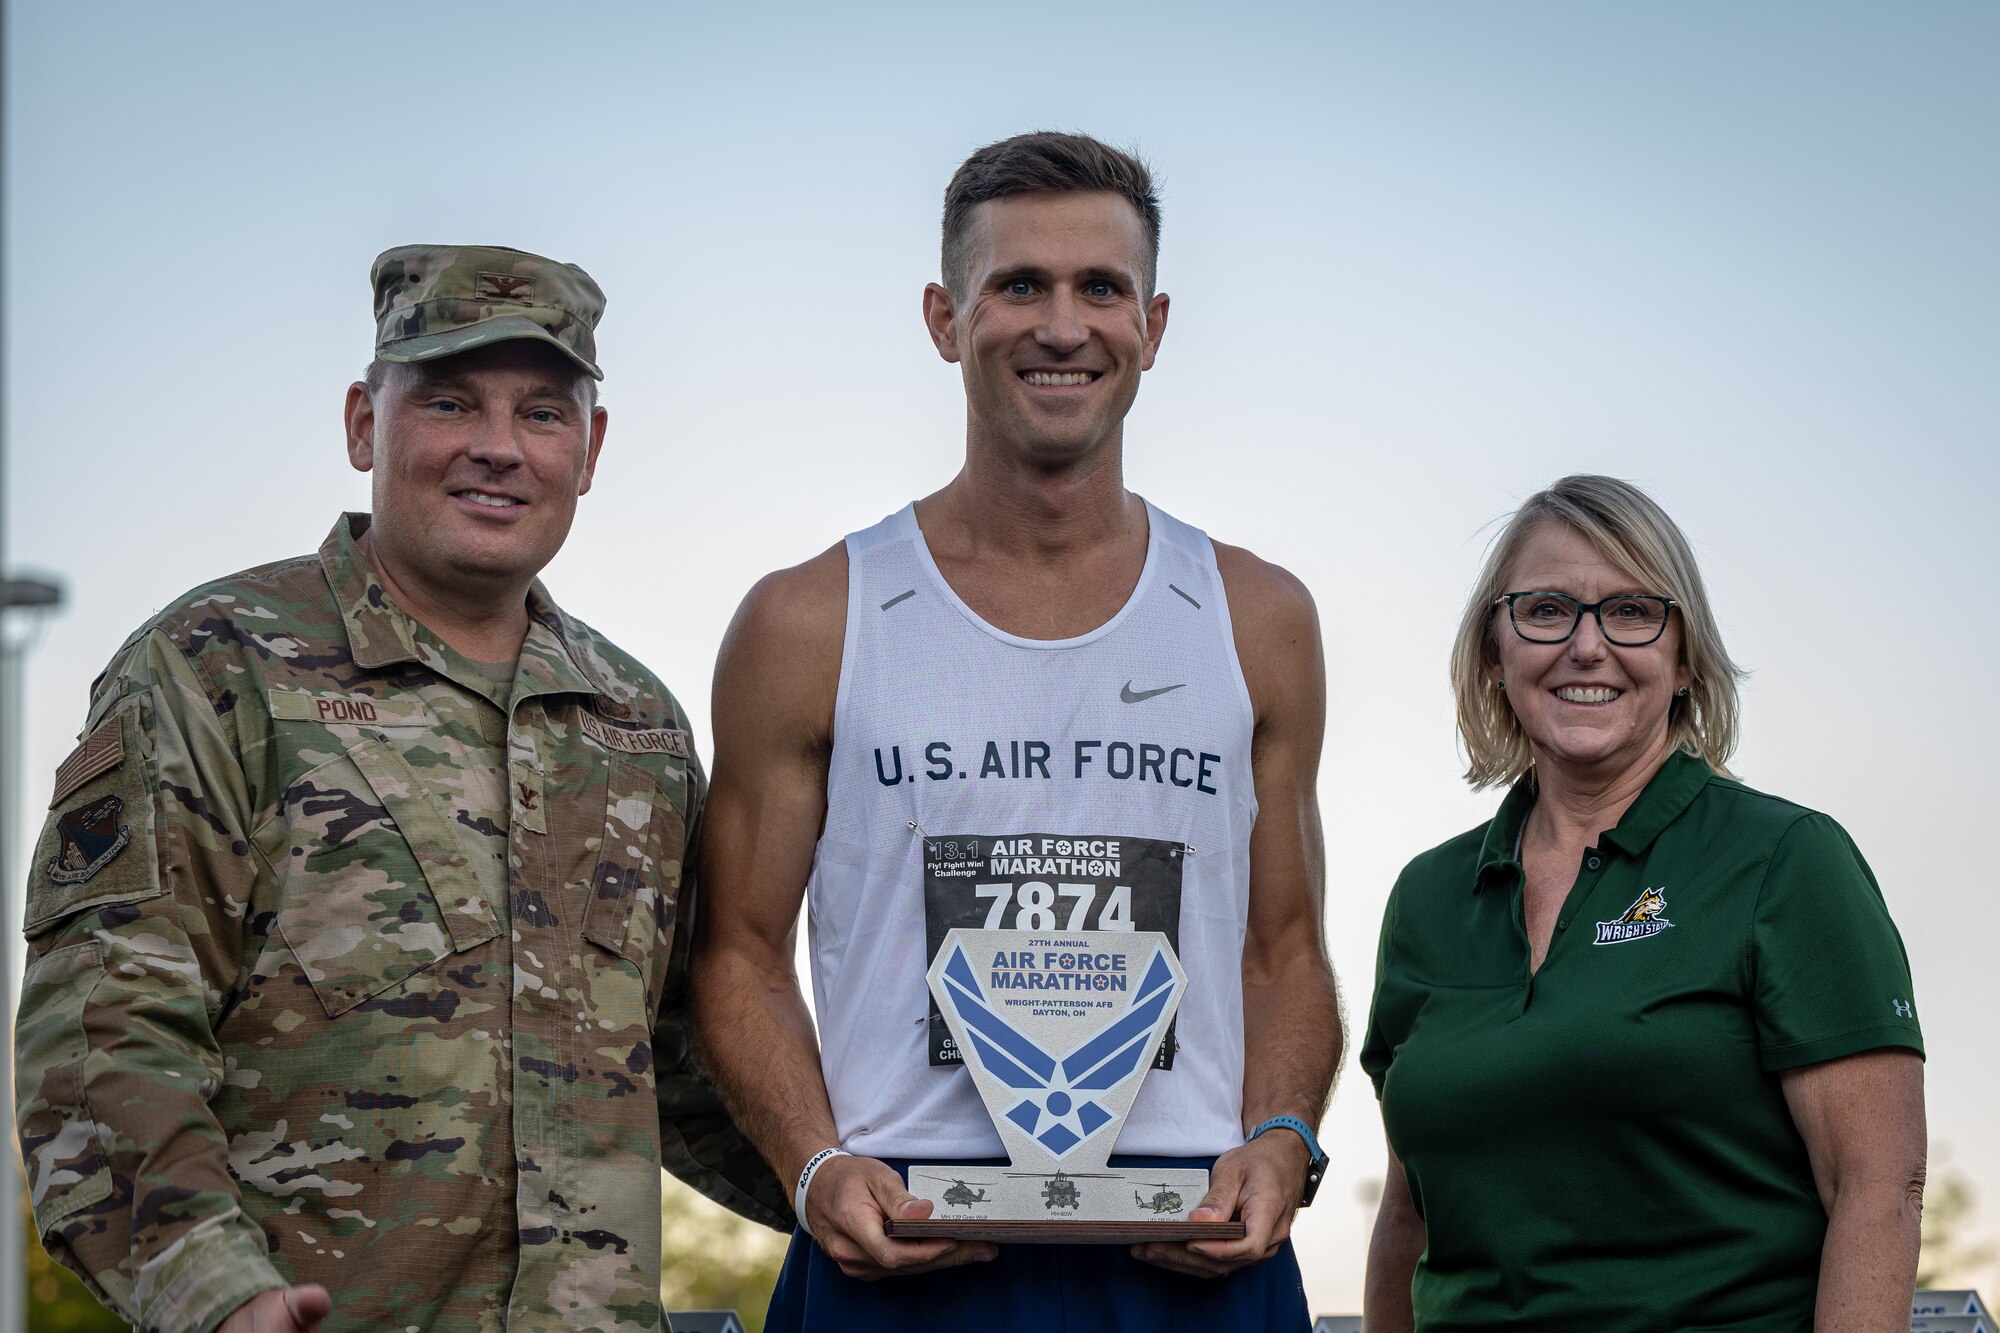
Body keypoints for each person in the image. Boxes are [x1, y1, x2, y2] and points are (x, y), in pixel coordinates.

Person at [12, 244, 783, 1333]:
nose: (498, 449)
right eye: (450, 402)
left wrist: (886, 1183)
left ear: (592, 446)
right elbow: (102, 1039)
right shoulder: (214, 667)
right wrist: (216, 1296)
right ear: (363, 423)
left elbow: (692, 1065)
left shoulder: (636, 726)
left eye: (543, 413)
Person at [693, 132, 1341, 1332]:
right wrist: (814, 1161)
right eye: (1017, 286)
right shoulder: (808, 617)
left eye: (1099, 288)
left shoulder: (1257, 615)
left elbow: (1283, 951)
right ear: (945, 318)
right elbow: (735, 952)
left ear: (1152, 323)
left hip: (1191, 1255)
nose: (1060, 325)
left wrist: (1284, 1138)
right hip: (902, 1258)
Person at [1358, 475, 1926, 1333]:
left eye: (1630, 611)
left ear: (1685, 655)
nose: (1587, 646)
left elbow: (1877, 1189)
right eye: (1546, 609)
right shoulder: (1427, 900)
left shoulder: (1786, 861)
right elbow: (1409, 1215)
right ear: (1492, 649)